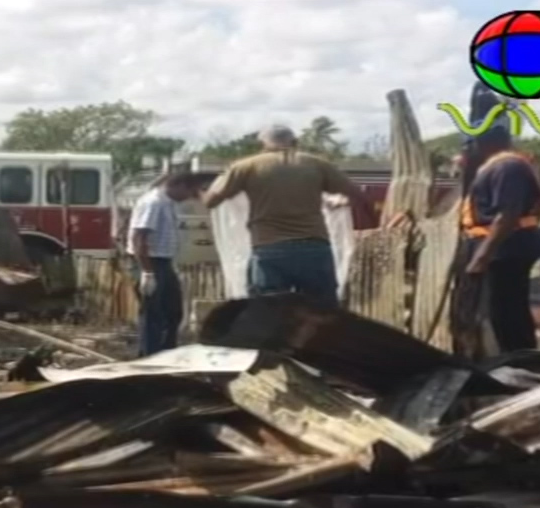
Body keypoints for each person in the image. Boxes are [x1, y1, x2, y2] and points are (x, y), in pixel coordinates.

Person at [202, 124, 373, 306]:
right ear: (295, 142)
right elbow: (357, 195)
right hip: (314, 248)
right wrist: (340, 204)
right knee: (321, 312)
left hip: (269, 248)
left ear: (263, 144)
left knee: (268, 313)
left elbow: (211, 202)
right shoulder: (317, 164)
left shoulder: (246, 167)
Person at [460, 124, 540, 352]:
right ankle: (519, 358)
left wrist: (481, 257)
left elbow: (508, 214)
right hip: (504, 247)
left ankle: (520, 361)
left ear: (482, 143)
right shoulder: (500, 166)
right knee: (506, 310)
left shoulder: (506, 167)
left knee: (505, 312)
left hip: (506, 249)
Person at [128, 172, 200, 357]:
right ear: (180, 185)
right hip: (151, 262)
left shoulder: (167, 202)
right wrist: (147, 272)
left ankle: (167, 352)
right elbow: (139, 237)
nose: (188, 197)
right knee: (153, 313)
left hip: (164, 262)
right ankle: (150, 356)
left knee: (173, 311)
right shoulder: (153, 202)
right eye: (189, 192)